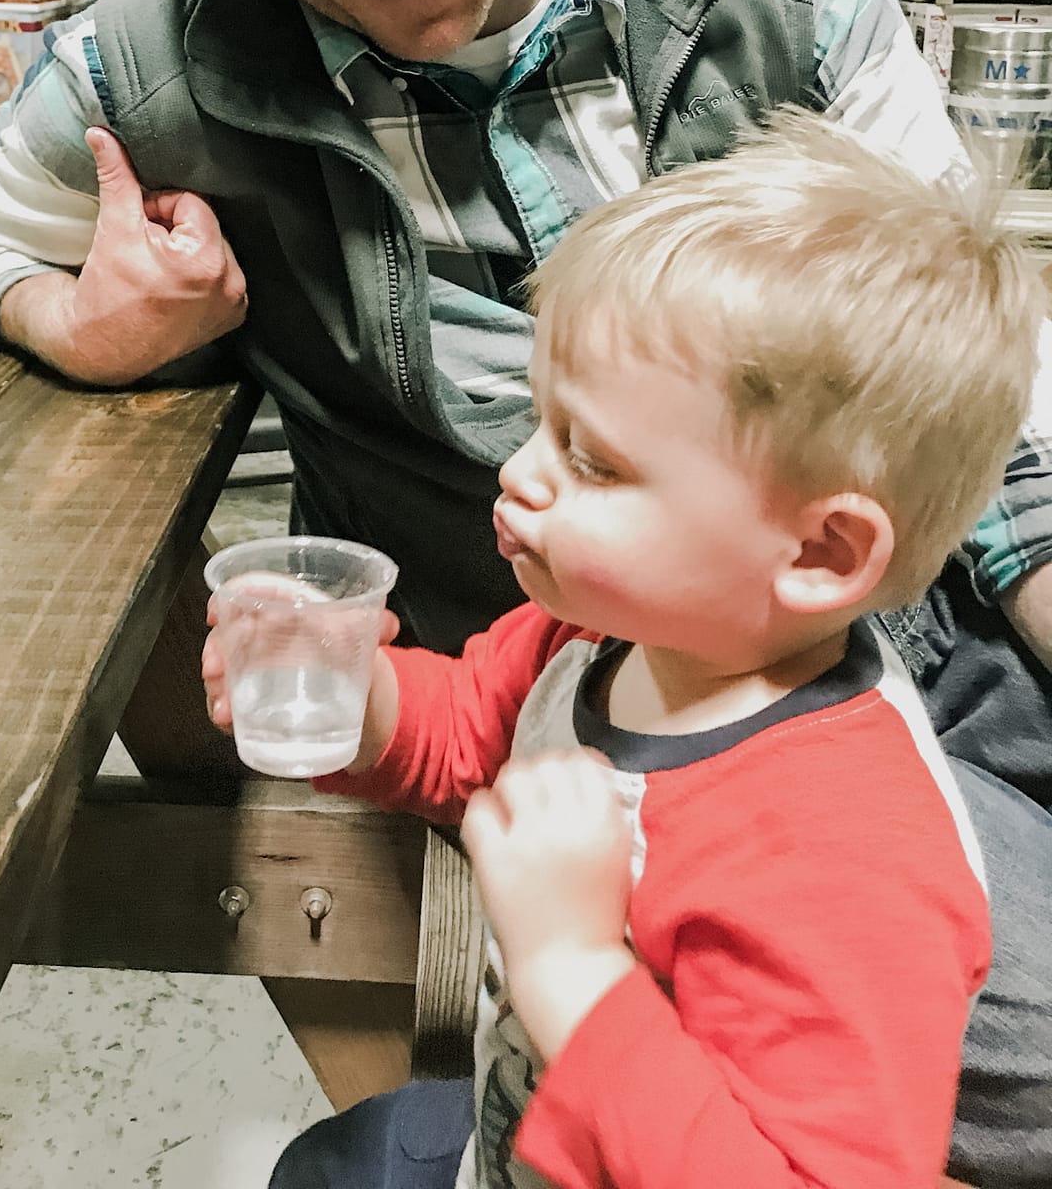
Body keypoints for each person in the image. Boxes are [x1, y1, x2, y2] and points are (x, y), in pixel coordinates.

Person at [0, 0, 1052, 1161]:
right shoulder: (154, 69)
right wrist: (71, 319)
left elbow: (984, 392)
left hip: (874, 642)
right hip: (556, 674)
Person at [199, 115, 1039, 1188]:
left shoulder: (844, 863)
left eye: (591, 461)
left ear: (822, 551)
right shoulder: (608, 639)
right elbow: (474, 724)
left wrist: (572, 966)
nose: (522, 475)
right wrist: (351, 693)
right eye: (541, 422)